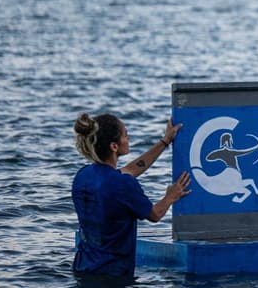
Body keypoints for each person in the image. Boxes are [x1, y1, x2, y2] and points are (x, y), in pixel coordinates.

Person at [71, 113, 192, 276]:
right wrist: (171, 196)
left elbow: (131, 169)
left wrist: (165, 141)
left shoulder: (83, 175)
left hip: (82, 268)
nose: (129, 138)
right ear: (114, 146)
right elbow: (155, 215)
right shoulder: (123, 184)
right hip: (112, 275)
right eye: (126, 134)